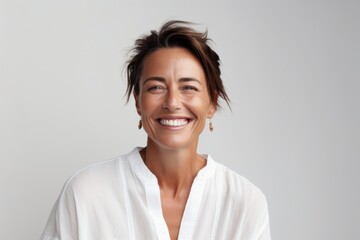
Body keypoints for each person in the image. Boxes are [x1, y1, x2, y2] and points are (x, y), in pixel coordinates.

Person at [40, 20, 271, 240]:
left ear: (211, 102)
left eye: (188, 87)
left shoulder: (245, 203)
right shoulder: (86, 194)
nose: (172, 102)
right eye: (156, 87)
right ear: (138, 101)